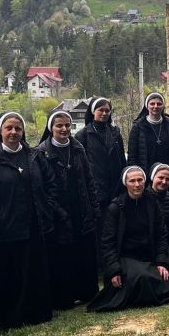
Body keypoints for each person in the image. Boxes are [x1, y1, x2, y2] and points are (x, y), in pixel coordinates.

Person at [0, 111, 58, 329]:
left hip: (33, 226)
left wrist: (46, 208)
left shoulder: (34, 156)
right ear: (0, 131)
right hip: (3, 231)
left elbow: (50, 185)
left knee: (32, 272)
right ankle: (5, 318)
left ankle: (35, 313)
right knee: (5, 276)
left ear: (23, 132)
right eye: (8, 128)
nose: (13, 132)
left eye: (17, 129)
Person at [87, 167, 169, 312]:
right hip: (126, 257)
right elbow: (107, 243)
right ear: (125, 183)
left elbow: (161, 234)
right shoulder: (115, 208)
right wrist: (114, 270)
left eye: (140, 180)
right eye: (132, 181)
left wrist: (161, 262)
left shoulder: (152, 202)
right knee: (144, 277)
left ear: (145, 181)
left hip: (148, 253)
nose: (137, 184)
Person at [38, 110, 103, 309]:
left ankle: (86, 293)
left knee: (84, 253)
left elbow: (89, 179)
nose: (64, 129)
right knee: (62, 257)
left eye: (67, 125)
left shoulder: (78, 148)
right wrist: (57, 211)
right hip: (57, 212)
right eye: (59, 125)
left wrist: (94, 206)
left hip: (81, 207)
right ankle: (64, 298)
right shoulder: (41, 152)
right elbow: (42, 189)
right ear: (51, 128)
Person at [75, 97, 127, 233]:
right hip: (96, 190)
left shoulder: (116, 133)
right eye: (101, 110)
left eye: (107, 110)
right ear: (93, 112)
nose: (104, 113)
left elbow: (122, 159)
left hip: (115, 188)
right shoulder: (83, 135)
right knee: (100, 230)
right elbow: (80, 166)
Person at [128, 92, 169, 193]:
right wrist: (135, 177)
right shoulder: (138, 127)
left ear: (163, 106)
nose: (155, 106)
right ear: (147, 106)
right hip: (145, 175)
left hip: (167, 176)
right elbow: (132, 156)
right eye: (152, 104)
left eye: (159, 104)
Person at [148, 162, 169, 271]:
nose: (164, 182)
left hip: (165, 243)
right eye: (161, 177)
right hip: (146, 241)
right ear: (153, 178)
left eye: (168, 179)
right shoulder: (143, 196)